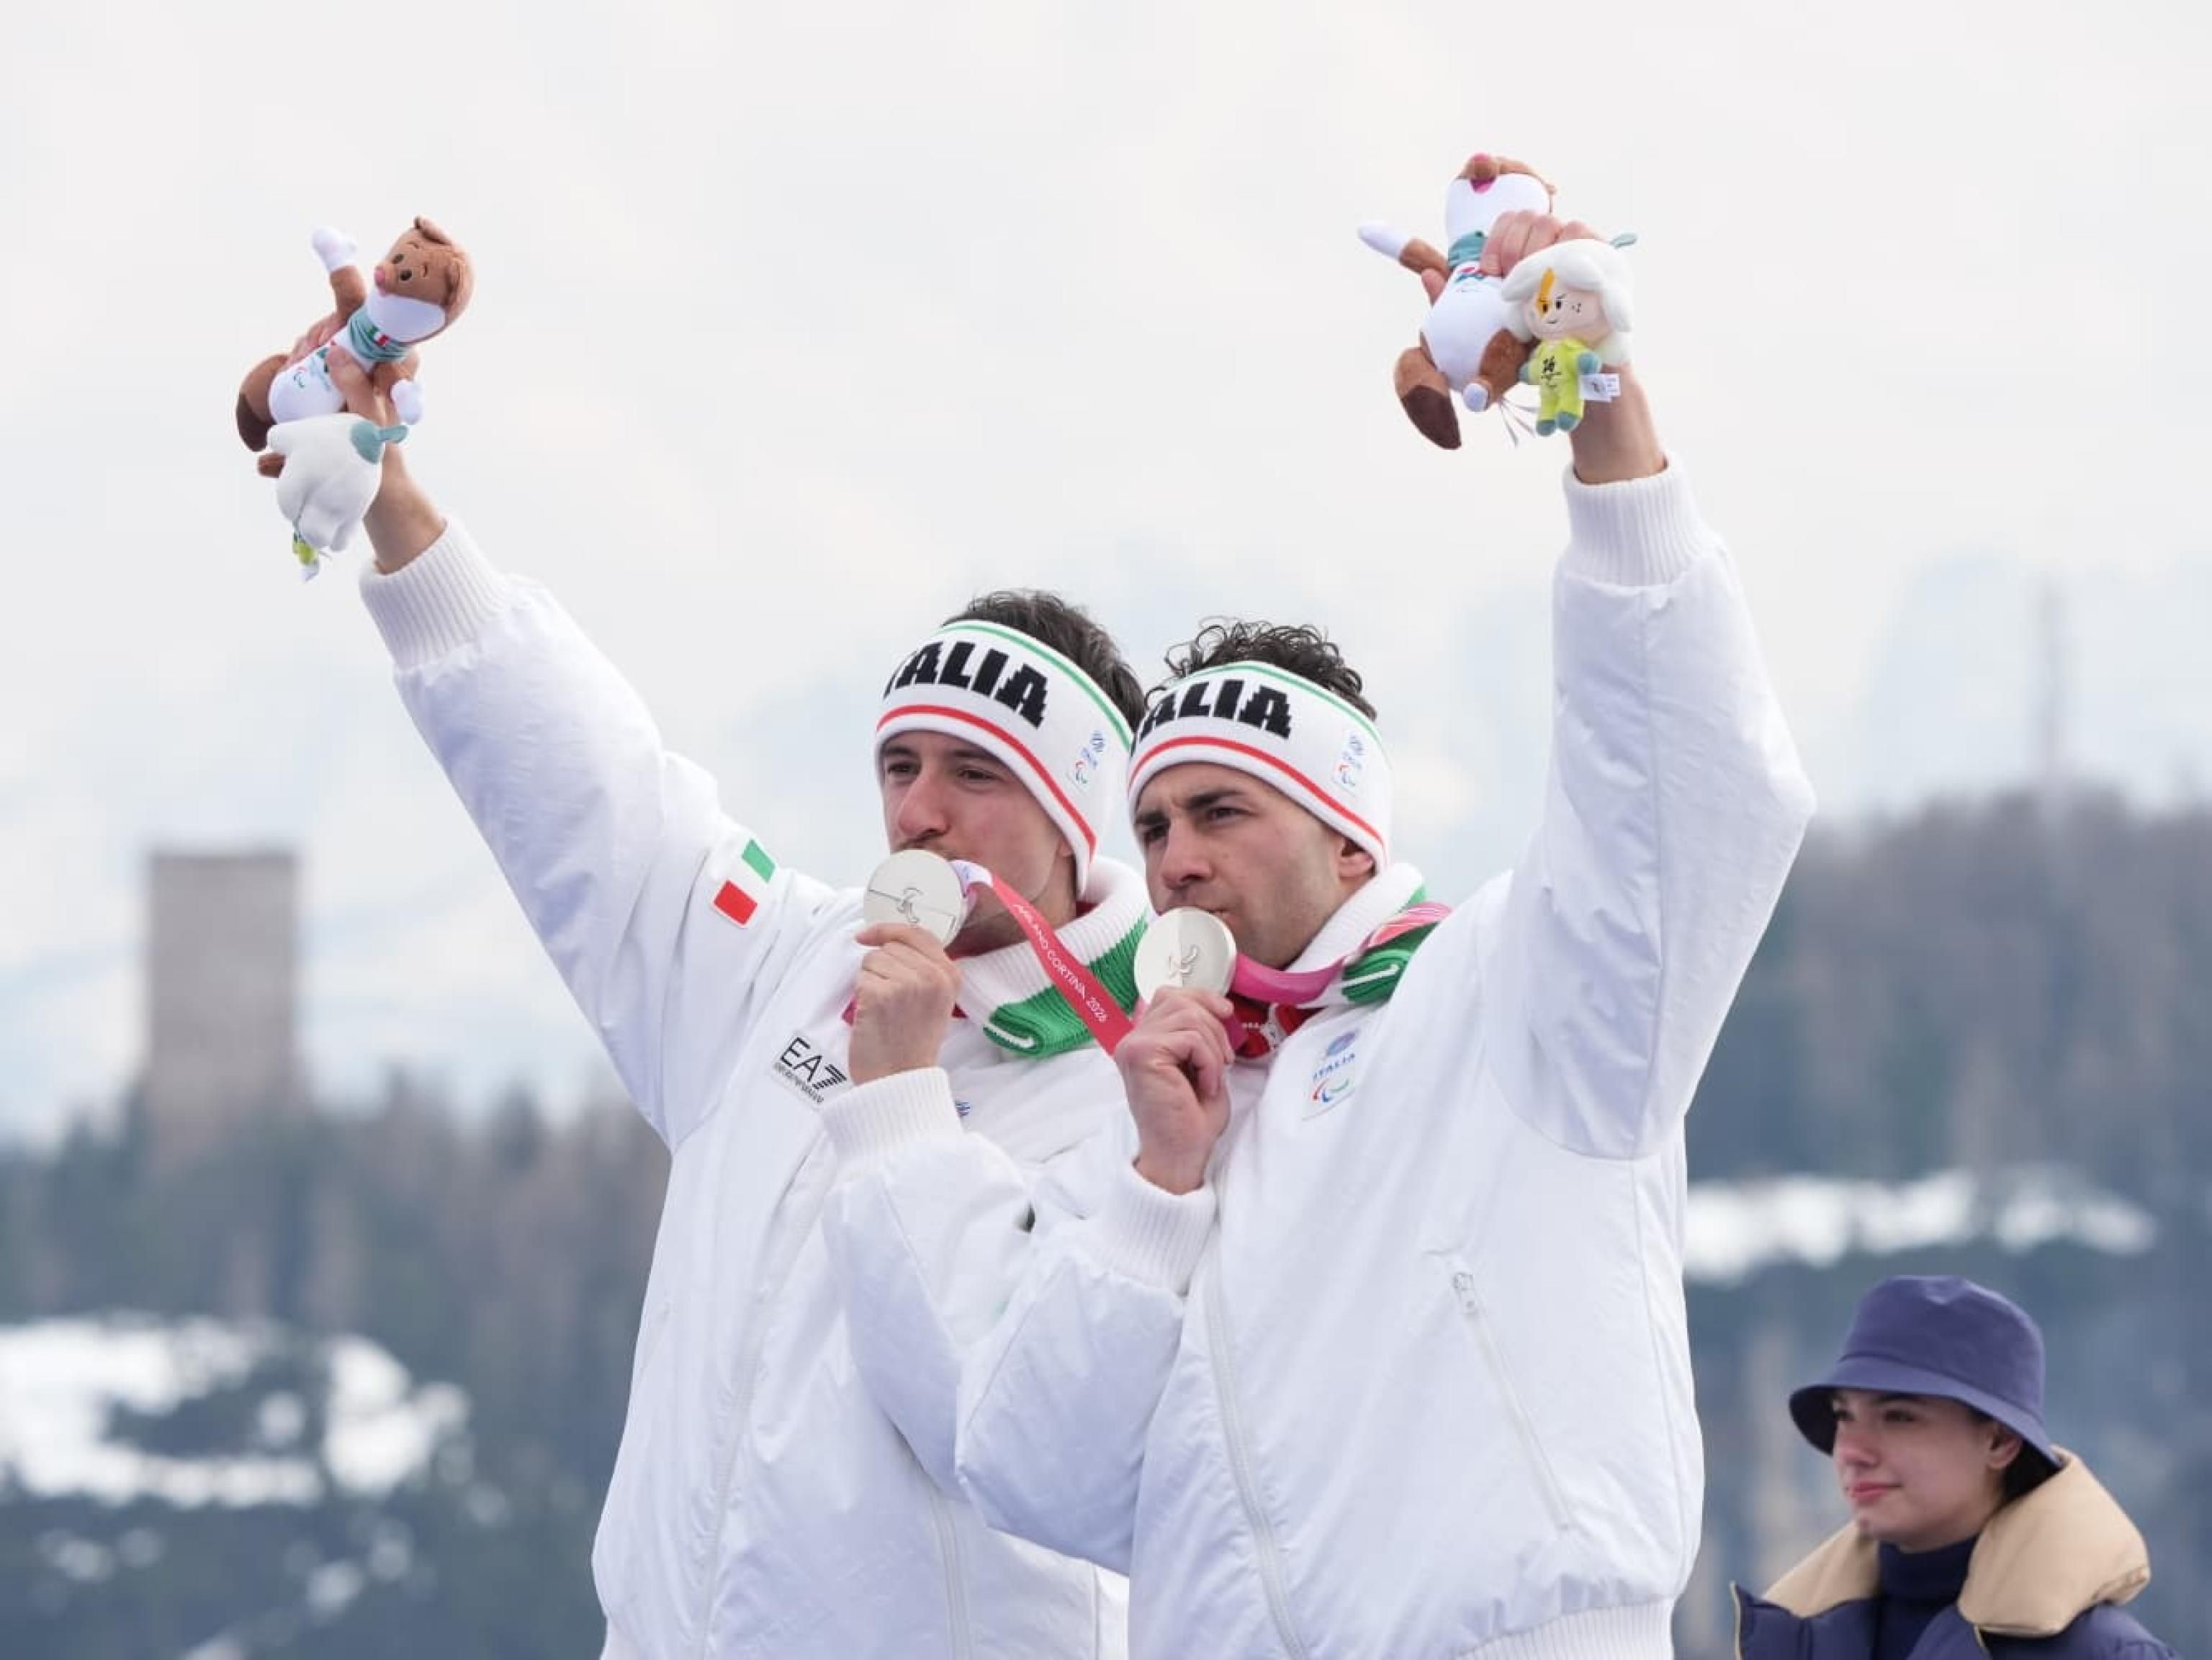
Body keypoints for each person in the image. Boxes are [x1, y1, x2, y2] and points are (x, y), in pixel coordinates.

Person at [822, 206, 1817, 1656]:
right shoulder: (1161, 1113)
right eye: (1154, 828)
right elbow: (1036, 1470)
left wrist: (1603, 424)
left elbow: (1684, 796)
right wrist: (1159, 1195)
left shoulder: (1507, 995)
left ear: (1353, 829)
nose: (1179, 862)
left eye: (1225, 813)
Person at [324, 372, 1150, 1656]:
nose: (918, 813)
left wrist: (901, 1096)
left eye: (974, 773)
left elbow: (1027, 1424)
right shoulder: (783, 964)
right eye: (898, 765)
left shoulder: (1144, 1075)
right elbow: (587, 791)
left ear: (1077, 818)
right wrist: (394, 506)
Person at [1735, 1275, 2177, 1660]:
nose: (1851, 1451)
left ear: (2000, 1441)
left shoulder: (2104, 1655)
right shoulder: (1792, 1641)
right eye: (1844, 1416)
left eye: (1899, 1417)